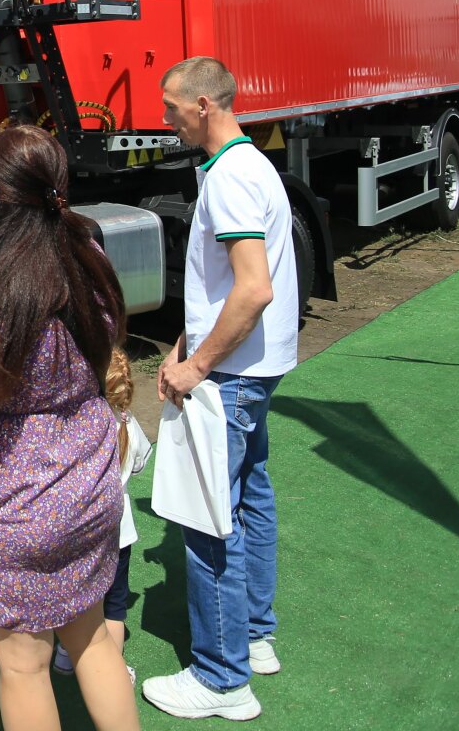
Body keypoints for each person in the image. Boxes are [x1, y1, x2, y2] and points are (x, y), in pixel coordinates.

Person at [0, 124, 139, 731]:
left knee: (22, 665)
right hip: (92, 481)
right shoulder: (89, 259)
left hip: (22, 502)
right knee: (92, 638)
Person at [143, 57, 300, 723]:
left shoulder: (231, 177)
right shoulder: (248, 164)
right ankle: (254, 637)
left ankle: (222, 677)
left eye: (172, 107)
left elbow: (253, 288)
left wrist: (198, 365)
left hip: (231, 376)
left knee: (209, 519)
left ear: (204, 105)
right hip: (256, 368)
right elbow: (228, 285)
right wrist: (188, 341)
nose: (166, 118)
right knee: (251, 499)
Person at [54, 348, 153, 684]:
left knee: (75, 595)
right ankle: (112, 671)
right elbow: (139, 465)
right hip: (119, 531)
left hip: (80, 530)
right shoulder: (127, 424)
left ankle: (66, 654)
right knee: (114, 606)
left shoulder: (76, 425)